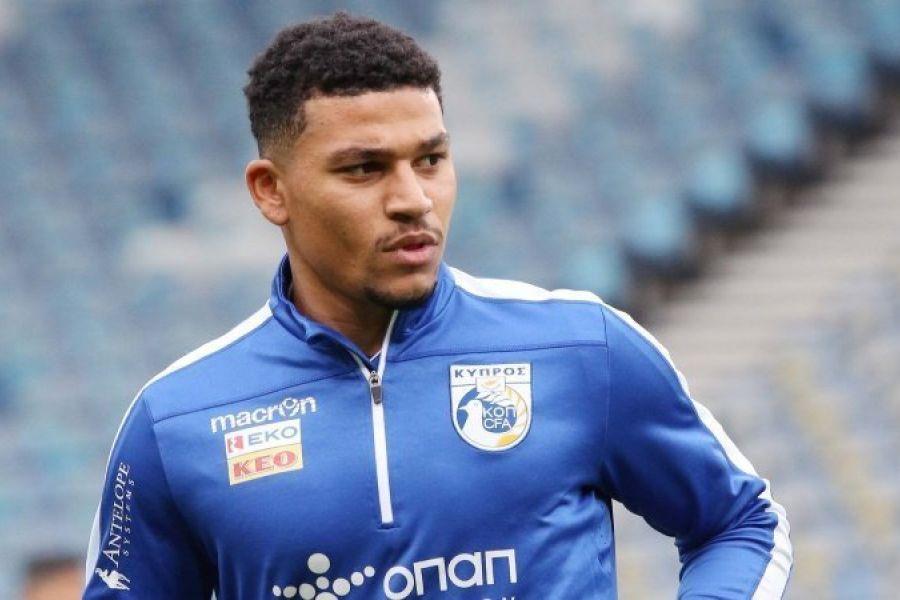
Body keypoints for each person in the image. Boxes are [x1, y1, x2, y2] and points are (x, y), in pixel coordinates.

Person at [84, 11, 792, 599]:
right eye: (364, 168)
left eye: (430, 159)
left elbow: (742, 524)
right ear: (272, 190)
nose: (413, 199)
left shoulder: (581, 347)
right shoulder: (175, 422)